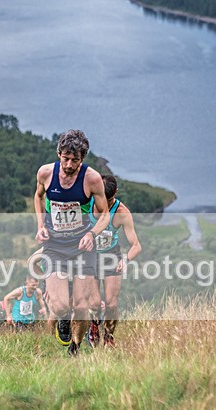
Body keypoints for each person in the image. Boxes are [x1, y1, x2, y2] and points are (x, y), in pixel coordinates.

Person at [34, 129, 109, 357]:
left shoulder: (92, 179)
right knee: (60, 306)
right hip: (55, 246)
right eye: (65, 158)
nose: (68, 165)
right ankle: (63, 321)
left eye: (75, 160)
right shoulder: (46, 173)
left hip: (82, 247)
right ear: (58, 154)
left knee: (81, 305)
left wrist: (92, 234)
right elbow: (38, 197)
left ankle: (75, 347)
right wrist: (40, 225)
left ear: (82, 159)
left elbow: (105, 214)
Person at [87, 174, 142, 348]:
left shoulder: (121, 213)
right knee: (95, 303)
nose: (104, 202)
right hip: (89, 257)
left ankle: (109, 336)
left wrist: (125, 260)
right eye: (101, 197)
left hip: (111, 257)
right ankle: (94, 325)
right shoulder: (86, 204)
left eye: (108, 199)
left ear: (116, 193)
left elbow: (136, 245)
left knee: (111, 304)